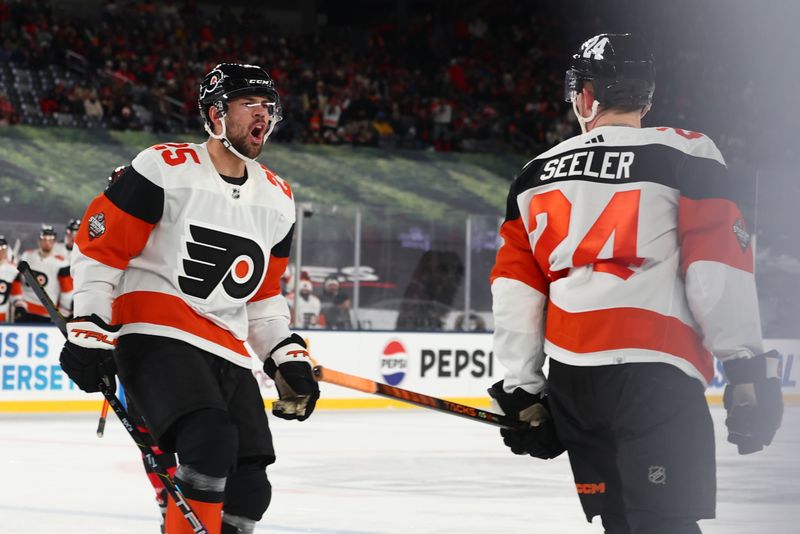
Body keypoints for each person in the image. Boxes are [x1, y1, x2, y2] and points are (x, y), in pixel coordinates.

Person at [487, 34, 783, 534]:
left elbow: (516, 291)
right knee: (664, 524)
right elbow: (716, 269)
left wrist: (523, 388)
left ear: (584, 95)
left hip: (575, 380)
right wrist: (746, 367)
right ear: (645, 95)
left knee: (620, 525)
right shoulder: (688, 152)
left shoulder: (534, 175)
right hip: (655, 372)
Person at [58, 63, 320, 534]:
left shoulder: (278, 198)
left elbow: (262, 297)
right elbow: (103, 251)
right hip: (156, 331)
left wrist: (285, 354)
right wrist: (90, 327)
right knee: (209, 443)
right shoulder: (162, 167)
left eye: (268, 105)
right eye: (249, 103)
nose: (263, 114)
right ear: (216, 114)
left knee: (251, 486)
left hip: (226, 347)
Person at [11, 225, 72, 323]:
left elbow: (67, 291)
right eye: (44, 239)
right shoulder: (27, 256)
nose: (47, 242)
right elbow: (17, 281)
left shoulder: (61, 263)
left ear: (54, 241)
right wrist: (18, 303)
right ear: (39, 240)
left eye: (50, 239)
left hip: (48, 313)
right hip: (25, 310)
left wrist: (63, 313)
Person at [0, 236, 17, 322]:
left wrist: (20, 305)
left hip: (3, 317)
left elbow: (17, 294)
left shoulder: (13, 270)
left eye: (3, 248)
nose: (1, 251)